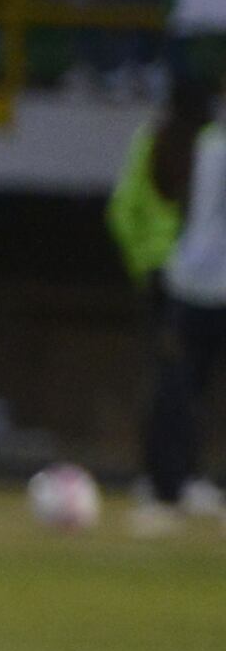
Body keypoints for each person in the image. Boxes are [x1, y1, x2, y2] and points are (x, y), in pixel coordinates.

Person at [121, 70, 226, 525]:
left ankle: (180, 481)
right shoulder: (199, 145)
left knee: (183, 387)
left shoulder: (204, 145)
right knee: (176, 387)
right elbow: (144, 207)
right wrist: (152, 265)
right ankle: (166, 482)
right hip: (186, 284)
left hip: (190, 283)